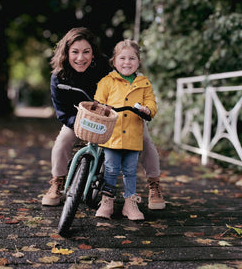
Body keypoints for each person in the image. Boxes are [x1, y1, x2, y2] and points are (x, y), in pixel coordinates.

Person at [41, 27, 165, 210]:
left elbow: (127, 78)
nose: (80, 58)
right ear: (66, 53)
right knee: (62, 141)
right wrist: (80, 124)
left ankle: (154, 184)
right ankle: (57, 182)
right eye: (74, 52)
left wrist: (140, 108)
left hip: (116, 117)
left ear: (93, 53)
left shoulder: (104, 67)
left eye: (86, 52)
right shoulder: (59, 78)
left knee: (145, 140)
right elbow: (62, 112)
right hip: (80, 119)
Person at [94, 39, 157, 220]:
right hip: (112, 134)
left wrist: (148, 109)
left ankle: (130, 204)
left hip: (132, 134)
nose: (127, 62)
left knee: (130, 170)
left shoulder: (144, 83)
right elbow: (98, 101)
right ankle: (107, 201)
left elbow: (151, 102)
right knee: (111, 168)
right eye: (122, 58)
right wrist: (102, 108)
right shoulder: (107, 81)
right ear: (114, 61)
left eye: (132, 58)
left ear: (138, 62)